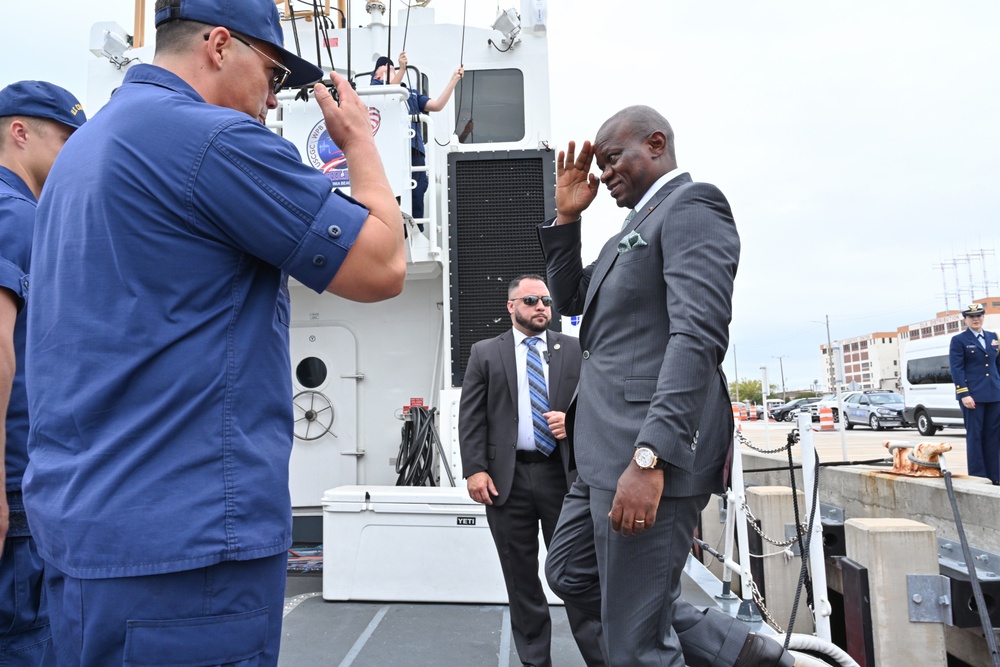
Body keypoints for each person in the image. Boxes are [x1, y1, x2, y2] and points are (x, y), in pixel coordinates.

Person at [22, 0, 405, 664]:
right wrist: (360, 145)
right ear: (220, 46)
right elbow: (384, 263)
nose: (273, 98)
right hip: (187, 560)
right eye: (273, 73)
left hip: (80, 541)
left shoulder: (82, 152)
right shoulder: (215, 140)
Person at [537, 105, 793, 667]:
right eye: (599, 164)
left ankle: (717, 650)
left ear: (655, 144)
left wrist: (650, 460)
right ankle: (739, 651)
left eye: (611, 159)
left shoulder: (693, 207)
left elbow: (697, 337)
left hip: (644, 450)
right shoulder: (630, 230)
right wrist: (567, 221)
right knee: (572, 573)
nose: (602, 174)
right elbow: (573, 302)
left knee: (636, 647)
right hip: (601, 451)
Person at [459, 275, 604, 667]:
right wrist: (475, 470)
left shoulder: (575, 350)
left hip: (565, 479)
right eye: (530, 300)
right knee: (520, 577)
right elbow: (471, 418)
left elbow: (601, 404)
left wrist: (570, 422)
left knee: (576, 572)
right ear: (511, 307)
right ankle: (535, 661)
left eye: (545, 300)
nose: (541, 307)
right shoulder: (485, 353)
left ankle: (602, 657)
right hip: (507, 481)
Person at [0, 79, 86, 667]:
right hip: (15, 485)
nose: (74, 158)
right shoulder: (18, 217)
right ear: (19, 131)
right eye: (66, 141)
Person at [371, 52, 464, 223]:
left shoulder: (411, 93)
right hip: (389, 150)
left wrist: (454, 80)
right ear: (377, 74)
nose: (390, 66)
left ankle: (417, 228)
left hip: (414, 150)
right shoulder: (374, 89)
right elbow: (388, 91)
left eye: (393, 67)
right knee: (391, 192)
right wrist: (402, 69)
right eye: (385, 66)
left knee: (417, 190)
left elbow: (437, 105)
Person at [949, 303, 1000, 484]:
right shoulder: (959, 340)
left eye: (979, 315)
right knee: (975, 436)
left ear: (983, 317)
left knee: (994, 435)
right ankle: (979, 476)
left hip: (994, 395)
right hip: (973, 397)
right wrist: (964, 394)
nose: (976, 319)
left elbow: (997, 366)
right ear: (965, 319)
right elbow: (957, 369)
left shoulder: (993, 337)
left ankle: (996, 475)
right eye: (972, 317)